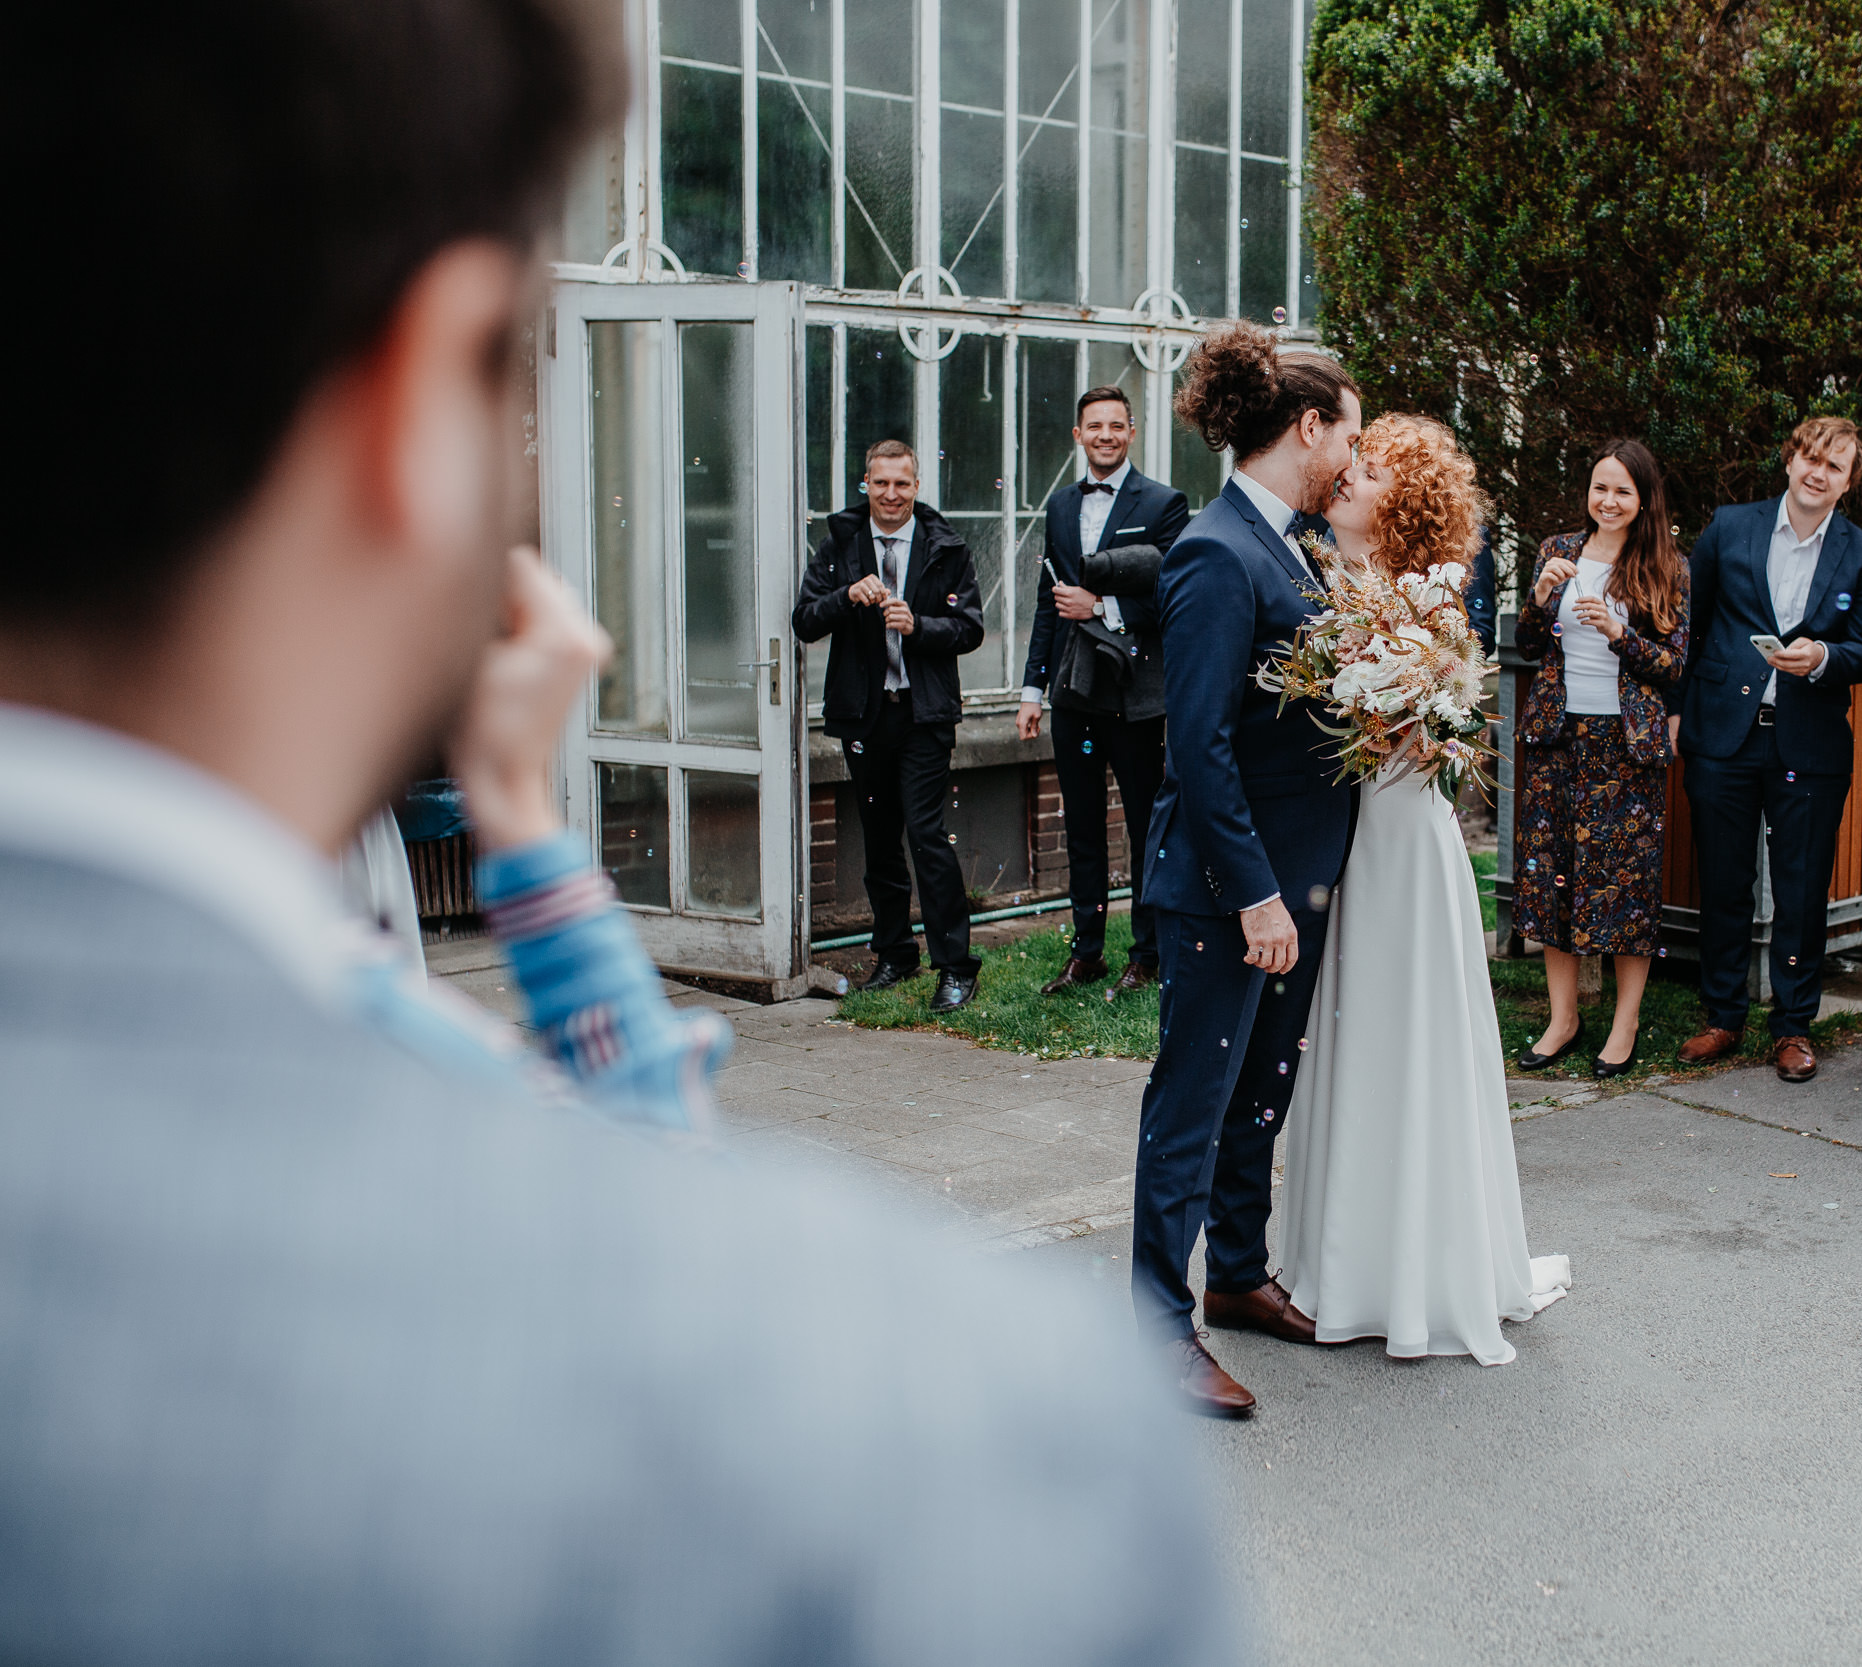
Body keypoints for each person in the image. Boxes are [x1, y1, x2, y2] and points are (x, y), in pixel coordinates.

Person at [0, 2, 1232, 1660]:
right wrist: (531, 826)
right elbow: (632, 1190)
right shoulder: (959, 1434)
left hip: (933, 721)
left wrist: (513, 814)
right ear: (420, 395)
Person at [1273, 414, 1574, 1364]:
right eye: (1351, 465)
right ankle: (1343, 1259)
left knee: (1411, 1039)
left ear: (1404, 504)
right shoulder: (1314, 586)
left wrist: (1413, 701)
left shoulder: (1427, 607)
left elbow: (1437, 739)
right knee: (1353, 1034)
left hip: (1406, 847)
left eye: (1369, 471)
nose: (1348, 478)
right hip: (1346, 853)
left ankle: (1419, 1268)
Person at [1131, 322, 1362, 1418]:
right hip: (1230, 890)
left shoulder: (1296, 547)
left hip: (1293, 880)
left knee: (1258, 1094)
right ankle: (1153, 1329)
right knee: (1192, 1103)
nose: (1352, 462)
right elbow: (1200, 745)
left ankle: (1235, 1271)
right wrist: (1257, 894)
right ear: (1306, 427)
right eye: (1347, 436)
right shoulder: (1215, 551)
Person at [1673, 416, 1862, 1083]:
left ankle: (1794, 1026)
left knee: (1801, 891)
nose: (1818, 471)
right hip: (1723, 737)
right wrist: (1680, 710)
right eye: (1810, 456)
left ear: (1849, 480)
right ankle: (1723, 1016)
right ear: (1790, 459)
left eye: (1835, 464)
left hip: (1812, 739)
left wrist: (1825, 654)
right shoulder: (1730, 526)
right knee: (1723, 880)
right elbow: (1694, 621)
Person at [1511, 439, 1692, 1077]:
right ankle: (1563, 1019)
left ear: (1643, 499)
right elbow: (1531, 646)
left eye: (1621, 490)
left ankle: (1625, 1023)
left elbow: (1674, 667)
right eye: (1598, 487)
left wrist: (1623, 637)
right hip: (1558, 738)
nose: (1607, 501)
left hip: (1626, 747)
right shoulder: (1557, 551)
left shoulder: (1667, 567)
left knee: (1626, 891)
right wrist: (1538, 600)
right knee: (1551, 879)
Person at [792, 440, 989, 1013]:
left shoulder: (945, 547)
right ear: (866, 483)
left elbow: (971, 628)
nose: (892, 494)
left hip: (923, 713)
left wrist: (919, 625)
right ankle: (895, 955)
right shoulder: (842, 544)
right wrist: (845, 596)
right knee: (879, 841)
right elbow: (804, 621)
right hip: (864, 713)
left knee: (926, 836)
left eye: (902, 484)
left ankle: (955, 967)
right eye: (881, 483)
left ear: (916, 485)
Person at [1016, 387, 1190, 997]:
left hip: (1138, 698)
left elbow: (1173, 593)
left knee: (1146, 829)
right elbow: (1047, 603)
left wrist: (1105, 605)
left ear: (1132, 433)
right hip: (1074, 695)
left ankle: (1146, 954)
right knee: (1083, 828)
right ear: (1078, 435)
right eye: (1095, 426)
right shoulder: (1060, 506)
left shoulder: (1166, 503)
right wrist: (1031, 690)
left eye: (1117, 425)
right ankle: (1085, 951)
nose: (1106, 435)